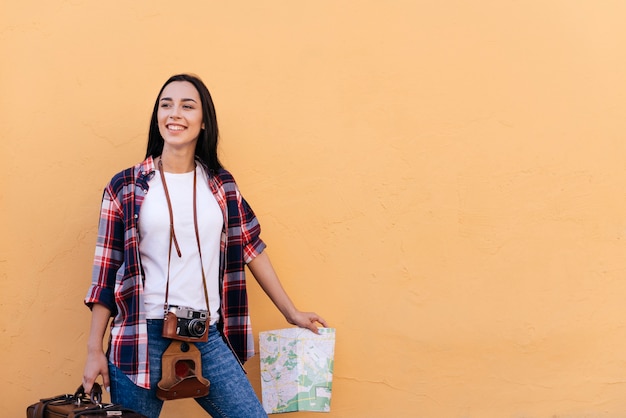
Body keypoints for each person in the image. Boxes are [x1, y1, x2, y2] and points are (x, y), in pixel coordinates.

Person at [82, 73, 327, 418]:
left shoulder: (220, 185)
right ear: (157, 118)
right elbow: (106, 274)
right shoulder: (126, 185)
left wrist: (291, 312)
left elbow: (251, 248)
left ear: (203, 122)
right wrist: (94, 349)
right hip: (140, 336)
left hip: (204, 333)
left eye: (187, 105)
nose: (174, 114)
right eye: (166, 105)